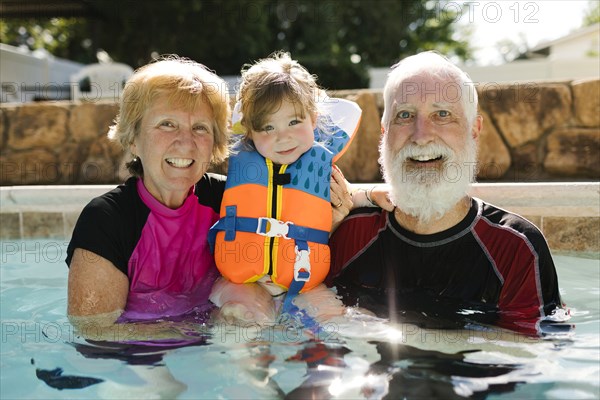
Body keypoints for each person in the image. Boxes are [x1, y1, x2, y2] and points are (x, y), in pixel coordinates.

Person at [66, 55, 354, 338]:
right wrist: (195, 331)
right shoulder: (105, 220)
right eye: (167, 124)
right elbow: (95, 330)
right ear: (132, 138)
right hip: (137, 361)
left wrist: (334, 220)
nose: (185, 142)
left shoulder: (225, 198)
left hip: (218, 345)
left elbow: (288, 241)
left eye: (200, 128)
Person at [326, 51, 567, 336]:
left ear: (474, 129)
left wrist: (396, 336)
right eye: (405, 115)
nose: (422, 135)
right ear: (384, 132)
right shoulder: (345, 230)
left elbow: (534, 358)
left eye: (442, 114)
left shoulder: (516, 248)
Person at [208, 52, 369, 324]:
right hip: (244, 281)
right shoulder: (243, 166)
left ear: (314, 120)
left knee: (337, 321)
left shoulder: (320, 165)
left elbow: (349, 193)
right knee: (239, 318)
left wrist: (375, 195)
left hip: (305, 279)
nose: (283, 137)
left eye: (294, 122)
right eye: (268, 127)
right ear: (249, 132)